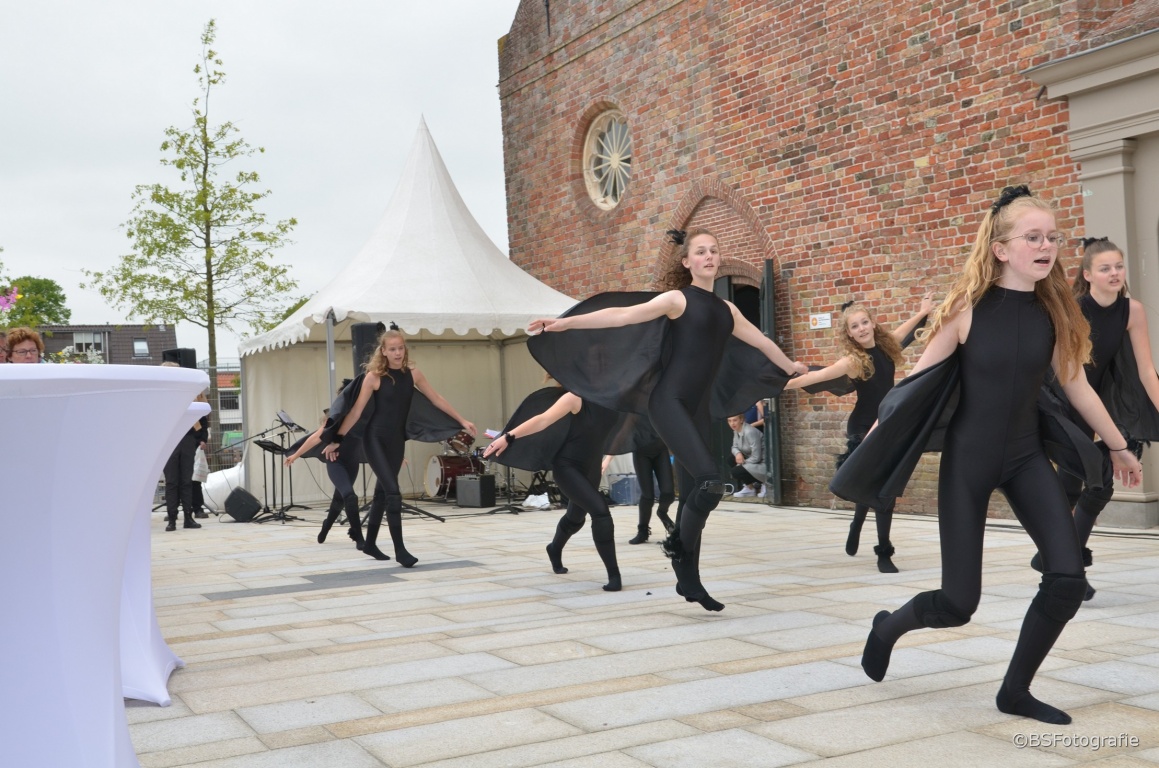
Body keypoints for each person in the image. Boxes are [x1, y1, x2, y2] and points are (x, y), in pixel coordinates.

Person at [837, 186, 1141, 725]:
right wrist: (874, 443)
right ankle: (888, 626)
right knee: (958, 605)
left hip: (1026, 458)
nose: (1046, 245)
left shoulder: (1055, 313)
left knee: (1067, 579)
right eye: (1033, 237)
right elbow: (913, 385)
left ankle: (1014, 692)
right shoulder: (964, 309)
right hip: (968, 464)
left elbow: (1077, 386)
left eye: (1052, 237)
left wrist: (1118, 446)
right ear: (1001, 249)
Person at [530, 227, 807, 611]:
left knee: (697, 494)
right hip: (669, 403)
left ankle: (689, 581)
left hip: (698, 410)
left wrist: (789, 366)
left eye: (714, 250)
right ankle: (678, 552)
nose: (709, 257)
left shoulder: (727, 311)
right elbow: (622, 316)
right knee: (712, 483)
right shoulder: (678, 300)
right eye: (701, 251)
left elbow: (761, 342)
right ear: (687, 261)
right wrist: (565, 323)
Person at [1030, 236, 1159, 599]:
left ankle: (1057, 561)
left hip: (1095, 404)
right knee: (1087, 482)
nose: (1114, 273)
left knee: (1084, 484)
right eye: (1105, 268)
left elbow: (1146, 372)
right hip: (1061, 400)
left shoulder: (1132, 311)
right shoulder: (1072, 309)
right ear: (1087, 275)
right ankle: (1064, 565)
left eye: (1119, 266)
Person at [785, 294, 933, 572]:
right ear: (849, 334)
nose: (862, 328)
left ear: (873, 324)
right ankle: (882, 552)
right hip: (863, 428)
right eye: (855, 326)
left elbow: (906, 329)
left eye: (864, 322)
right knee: (874, 485)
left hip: (887, 425)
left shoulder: (887, 346)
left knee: (884, 488)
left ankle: (860, 526)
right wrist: (779, 386)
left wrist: (923, 311)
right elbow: (817, 376)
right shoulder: (853, 361)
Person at [323, 328, 475, 566]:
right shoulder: (373, 377)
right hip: (374, 439)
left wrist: (462, 420)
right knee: (393, 492)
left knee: (382, 494)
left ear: (405, 349)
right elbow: (355, 413)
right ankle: (400, 551)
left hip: (396, 441)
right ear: (383, 351)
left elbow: (436, 398)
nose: (397, 353)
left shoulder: (413, 374)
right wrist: (337, 438)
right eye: (392, 349)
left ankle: (370, 544)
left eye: (400, 348)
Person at [485, 389, 623, 591]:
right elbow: (543, 420)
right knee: (600, 511)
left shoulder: (613, 398)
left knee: (576, 519)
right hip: (568, 468)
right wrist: (508, 437)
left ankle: (554, 547)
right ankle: (614, 576)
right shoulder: (575, 398)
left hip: (592, 468)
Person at [286, 402, 367, 552]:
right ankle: (359, 537)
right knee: (350, 496)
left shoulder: (361, 418)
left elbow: (375, 438)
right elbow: (315, 437)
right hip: (336, 463)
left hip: (352, 464)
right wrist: (295, 455)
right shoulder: (334, 419)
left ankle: (326, 525)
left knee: (339, 499)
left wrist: (394, 456)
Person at [160, 362, 204, 532]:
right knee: (172, 481)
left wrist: (200, 437)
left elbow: (201, 414)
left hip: (186, 437)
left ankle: (188, 517)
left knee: (186, 481)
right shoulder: (161, 393)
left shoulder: (188, 391)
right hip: (168, 439)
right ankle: (171, 519)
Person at [726, 413, 765, 498]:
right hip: (751, 459)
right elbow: (734, 447)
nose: (732, 423)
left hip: (763, 463)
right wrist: (738, 453)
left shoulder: (750, 432)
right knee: (731, 459)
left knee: (736, 471)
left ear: (741, 420)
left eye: (735, 420)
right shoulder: (736, 431)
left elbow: (757, 457)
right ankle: (750, 489)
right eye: (729, 421)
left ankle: (766, 484)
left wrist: (741, 464)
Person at [190, 392, 211, 519]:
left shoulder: (197, 404)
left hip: (195, 444)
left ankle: (198, 509)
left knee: (195, 479)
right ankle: (174, 510)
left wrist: (203, 440)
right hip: (180, 444)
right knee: (179, 480)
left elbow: (204, 424)